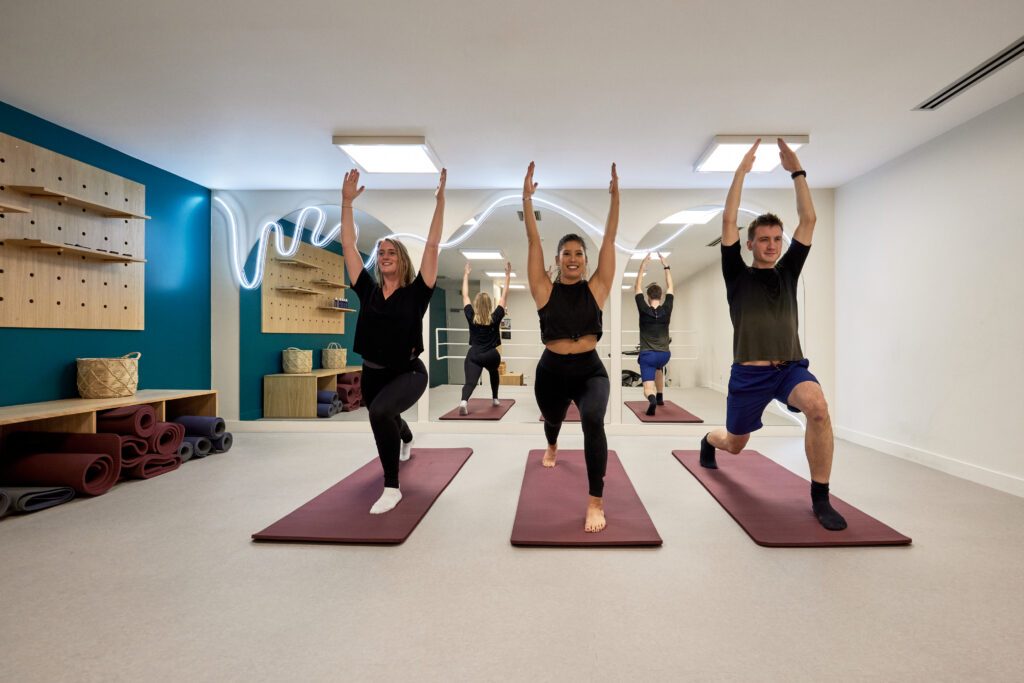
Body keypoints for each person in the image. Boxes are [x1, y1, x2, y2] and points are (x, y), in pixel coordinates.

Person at [700, 138, 847, 531]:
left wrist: (797, 170)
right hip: (748, 375)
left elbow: (809, 221)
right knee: (735, 444)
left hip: (788, 369)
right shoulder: (737, 276)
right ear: (750, 244)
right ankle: (708, 441)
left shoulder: (788, 272)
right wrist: (740, 173)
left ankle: (820, 497)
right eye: (763, 239)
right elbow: (728, 223)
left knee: (817, 407)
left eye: (776, 239)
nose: (771, 245)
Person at [340, 167, 445, 515]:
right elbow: (348, 245)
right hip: (372, 373)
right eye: (381, 252)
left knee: (381, 412)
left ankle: (391, 486)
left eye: (391, 252)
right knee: (384, 413)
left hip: (409, 372)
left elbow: (432, 245)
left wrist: (440, 201)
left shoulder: (417, 293)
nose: (384, 256)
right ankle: (406, 436)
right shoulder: (367, 290)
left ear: (401, 260)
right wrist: (347, 203)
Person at [522, 161, 619, 533]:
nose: (574, 258)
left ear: (585, 260)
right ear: (558, 260)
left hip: (589, 371)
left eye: (579, 253)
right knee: (553, 419)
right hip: (552, 372)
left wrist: (615, 199)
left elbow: (609, 240)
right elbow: (534, 241)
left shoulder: (597, 289)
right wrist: (527, 200)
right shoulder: (544, 291)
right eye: (567, 253)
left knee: (593, 420)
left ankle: (595, 500)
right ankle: (552, 444)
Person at [458, 261, 512, 414]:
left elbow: (465, 295)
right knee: (494, 371)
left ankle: (463, 402)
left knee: (470, 382)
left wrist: (466, 274)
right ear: (489, 305)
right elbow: (504, 295)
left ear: (476, 305)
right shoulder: (495, 317)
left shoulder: (471, 315)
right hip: (491, 355)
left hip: (474, 354)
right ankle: (495, 398)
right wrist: (507, 276)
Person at [634, 252, 674, 415]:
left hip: (648, 355)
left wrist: (642, 266)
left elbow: (637, 286)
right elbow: (671, 286)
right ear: (661, 295)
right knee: (659, 369)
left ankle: (651, 399)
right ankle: (660, 396)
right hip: (664, 354)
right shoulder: (667, 308)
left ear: (648, 296)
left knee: (646, 387)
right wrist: (665, 266)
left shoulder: (643, 309)